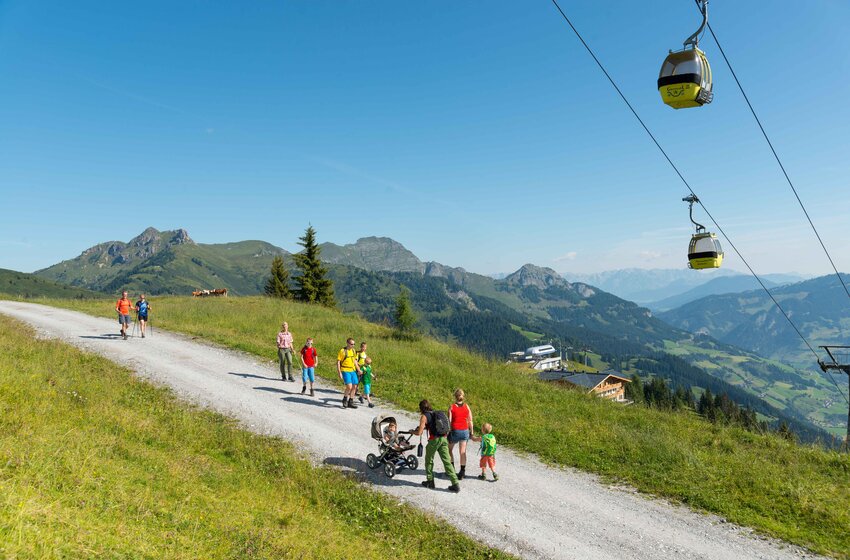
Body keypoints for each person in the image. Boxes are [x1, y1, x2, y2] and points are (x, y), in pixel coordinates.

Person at [410, 399, 460, 492]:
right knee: (447, 462)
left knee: (429, 460)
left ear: (421, 408)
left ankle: (430, 481)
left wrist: (412, 431)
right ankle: (455, 483)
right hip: (444, 439)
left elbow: (419, 433)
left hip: (434, 440)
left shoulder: (424, 416)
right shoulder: (435, 413)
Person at [448, 388, 474, 480]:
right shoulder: (467, 407)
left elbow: (449, 421)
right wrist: (471, 432)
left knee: (449, 449)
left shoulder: (452, 407)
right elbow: (470, 420)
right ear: (463, 397)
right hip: (465, 431)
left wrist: (448, 432)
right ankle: (462, 472)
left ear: (455, 397)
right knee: (462, 452)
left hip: (455, 431)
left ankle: (451, 469)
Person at [337, 338, 361, 409]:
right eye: (351, 344)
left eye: (354, 344)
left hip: (352, 370)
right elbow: (338, 362)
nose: (353, 345)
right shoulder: (342, 351)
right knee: (349, 386)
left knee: (355, 386)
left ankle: (351, 401)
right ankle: (345, 399)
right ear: (347, 343)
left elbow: (355, 361)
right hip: (345, 369)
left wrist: (358, 370)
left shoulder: (353, 351)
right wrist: (339, 372)